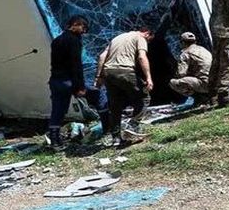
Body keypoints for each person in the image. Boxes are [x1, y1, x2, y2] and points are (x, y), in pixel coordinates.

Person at [95, 28, 154, 146]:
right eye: (149, 40)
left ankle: (116, 138)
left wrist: (99, 77)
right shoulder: (140, 38)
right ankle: (133, 125)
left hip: (108, 72)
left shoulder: (117, 38)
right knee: (144, 97)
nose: (148, 42)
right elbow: (142, 57)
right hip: (124, 70)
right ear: (147, 33)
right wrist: (148, 77)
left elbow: (102, 56)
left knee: (115, 105)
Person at [47, 15, 90, 150]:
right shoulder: (74, 40)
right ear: (75, 25)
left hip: (55, 80)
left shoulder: (57, 40)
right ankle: (109, 129)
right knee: (98, 96)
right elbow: (76, 65)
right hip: (68, 81)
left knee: (57, 110)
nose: (83, 31)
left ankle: (55, 140)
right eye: (83, 27)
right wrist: (80, 86)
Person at [169, 32, 212, 101]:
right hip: (216, 81)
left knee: (173, 82)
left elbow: (181, 73)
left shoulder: (185, 53)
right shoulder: (204, 50)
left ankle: (200, 98)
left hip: (205, 84)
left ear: (182, 42)